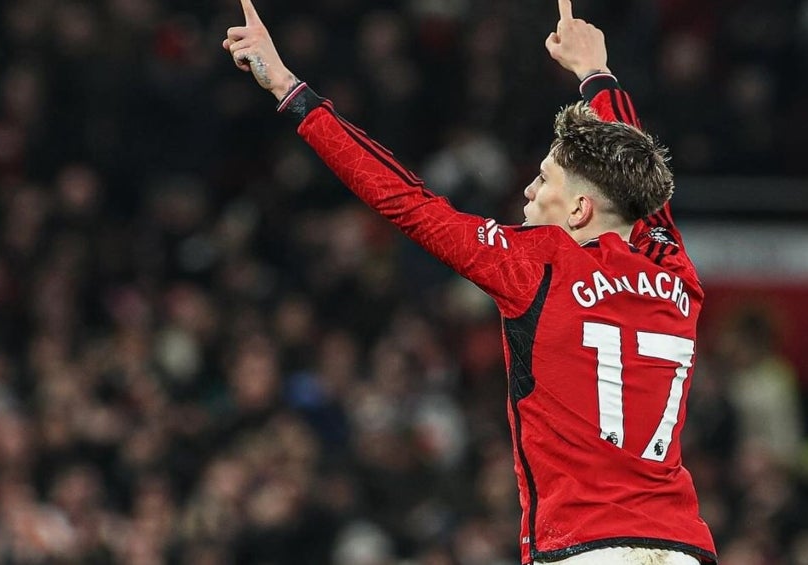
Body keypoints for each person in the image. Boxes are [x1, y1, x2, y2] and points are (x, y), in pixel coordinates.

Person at [223, 0, 717, 563]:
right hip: (682, 546)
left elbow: (406, 200)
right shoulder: (673, 266)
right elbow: (636, 177)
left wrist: (289, 89)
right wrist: (596, 74)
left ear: (580, 209)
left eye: (543, 180)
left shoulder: (536, 264)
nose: (528, 191)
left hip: (584, 547)